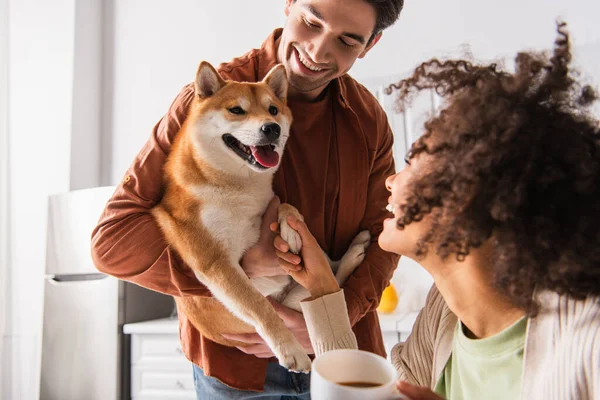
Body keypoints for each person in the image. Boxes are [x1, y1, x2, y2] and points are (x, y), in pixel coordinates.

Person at [91, 0, 404, 398]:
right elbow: (112, 240)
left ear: (369, 45)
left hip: (344, 359)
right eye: (311, 22)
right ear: (289, 4)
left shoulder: (368, 118)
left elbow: (387, 231)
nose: (318, 51)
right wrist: (232, 268)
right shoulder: (207, 98)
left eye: (346, 41)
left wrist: (332, 321)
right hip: (238, 372)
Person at [272, 22, 600, 400]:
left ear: (472, 191)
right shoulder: (442, 317)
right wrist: (324, 288)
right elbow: (376, 392)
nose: (391, 182)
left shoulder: (585, 335)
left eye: (414, 159)